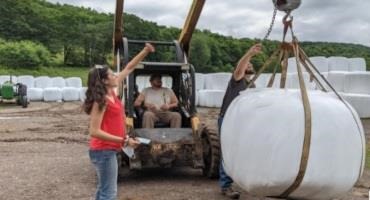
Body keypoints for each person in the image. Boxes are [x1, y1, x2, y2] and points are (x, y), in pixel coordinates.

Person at [83, 43, 155, 200]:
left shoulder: (112, 93)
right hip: (103, 151)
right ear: (104, 81)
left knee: (103, 190)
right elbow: (94, 132)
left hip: (108, 150)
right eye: (112, 75)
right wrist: (124, 140)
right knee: (109, 194)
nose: (116, 76)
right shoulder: (101, 101)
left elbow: (129, 68)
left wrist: (145, 51)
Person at [218, 43, 262, 199]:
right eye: (247, 64)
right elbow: (239, 69)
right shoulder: (237, 80)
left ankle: (239, 181)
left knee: (240, 151)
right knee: (227, 152)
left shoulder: (252, 85)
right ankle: (225, 186)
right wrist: (249, 53)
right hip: (228, 119)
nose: (249, 65)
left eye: (251, 64)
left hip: (242, 121)